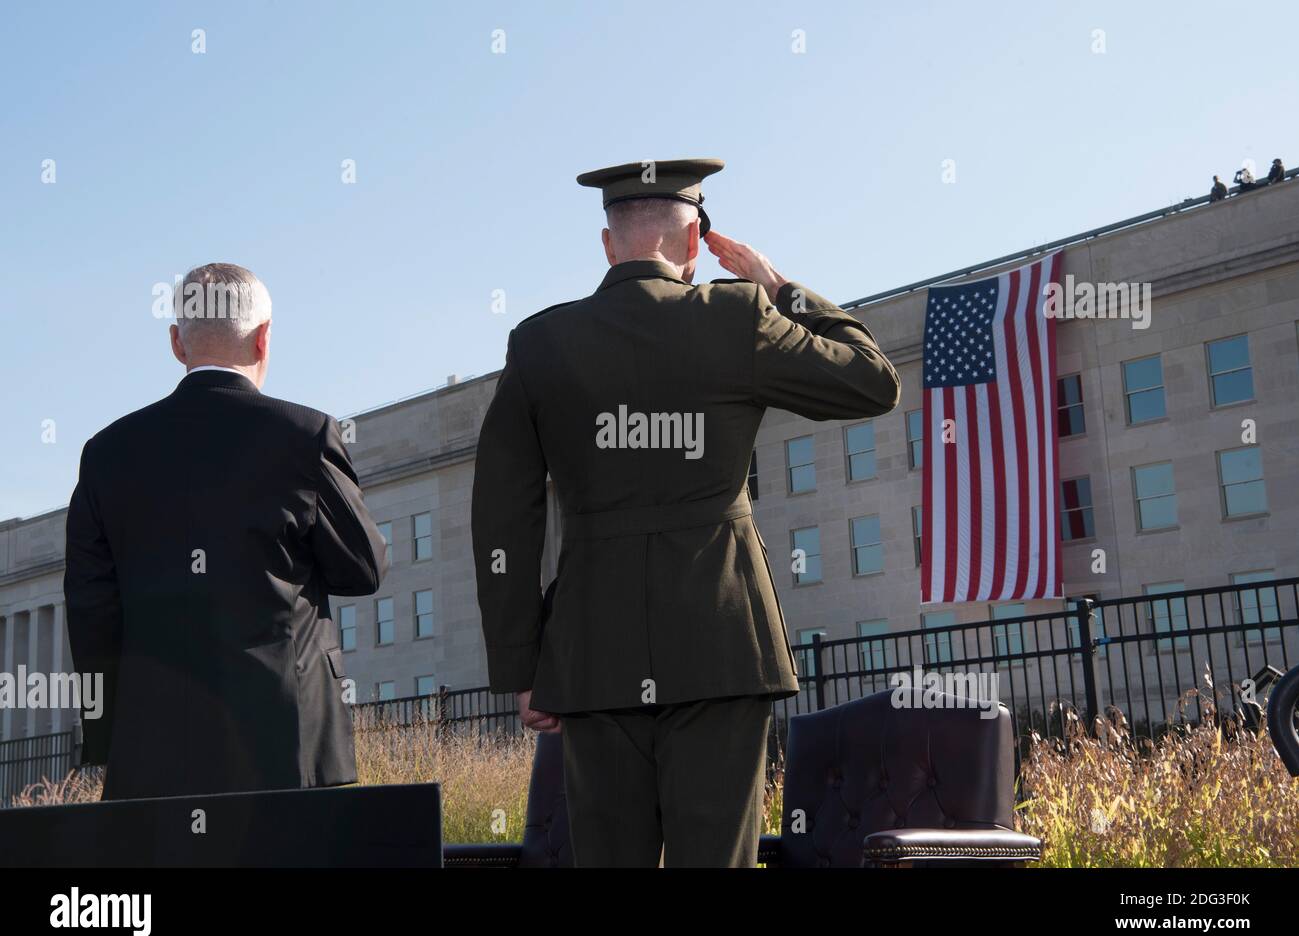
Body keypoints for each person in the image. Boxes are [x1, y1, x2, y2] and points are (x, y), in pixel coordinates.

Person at [471, 158, 901, 866]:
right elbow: (872, 380)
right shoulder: (739, 317)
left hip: (592, 656)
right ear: (695, 244)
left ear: (609, 245)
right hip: (723, 649)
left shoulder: (540, 343)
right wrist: (779, 287)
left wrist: (523, 663)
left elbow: (502, 518)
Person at [64, 263, 389, 800]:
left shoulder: (106, 454)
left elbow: (91, 613)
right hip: (289, 738)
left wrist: (106, 740)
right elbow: (365, 569)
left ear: (177, 343)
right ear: (264, 339)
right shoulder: (305, 435)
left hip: (151, 745)